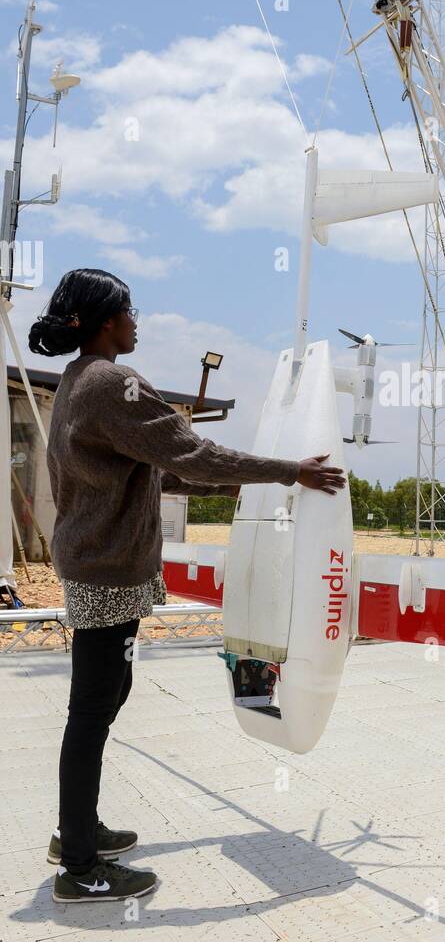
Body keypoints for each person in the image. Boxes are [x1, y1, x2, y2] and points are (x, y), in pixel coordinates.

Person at [28, 268, 345, 904]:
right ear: (106, 322)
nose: (137, 321)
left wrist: (242, 483)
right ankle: (80, 867)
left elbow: (152, 471)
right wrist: (290, 472)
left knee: (108, 692)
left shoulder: (78, 381)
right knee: (92, 708)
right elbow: (189, 451)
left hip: (95, 562)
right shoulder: (113, 383)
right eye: (129, 311)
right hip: (107, 568)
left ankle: (78, 832)